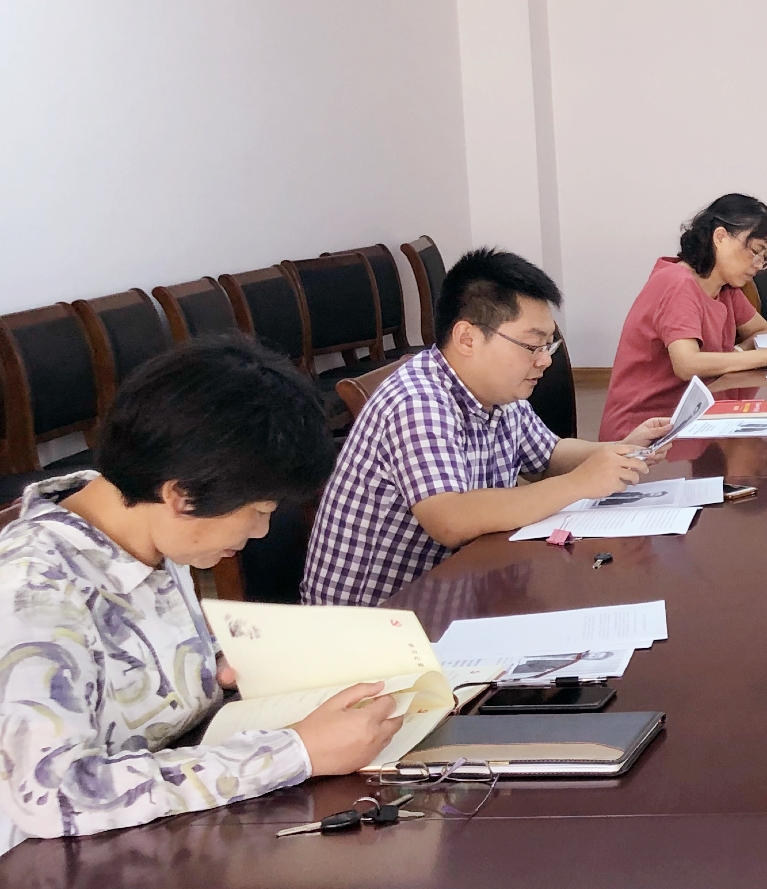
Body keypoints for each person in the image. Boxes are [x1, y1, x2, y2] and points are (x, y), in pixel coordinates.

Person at [0, 337, 404, 853]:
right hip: (58, 858)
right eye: (258, 510)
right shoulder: (31, 592)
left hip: (167, 826)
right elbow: (55, 795)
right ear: (181, 495)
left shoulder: (150, 530)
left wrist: (223, 665)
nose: (261, 531)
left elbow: (129, 679)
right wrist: (296, 751)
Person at [302, 248, 671, 607]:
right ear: (468, 338)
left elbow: (548, 456)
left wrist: (620, 449)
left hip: (454, 588)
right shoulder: (418, 400)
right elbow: (451, 519)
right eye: (532, 345)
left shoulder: (498, 392)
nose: (544, 361)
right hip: (376, 620)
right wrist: (581, 482)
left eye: (549, 345)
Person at [599, 194, 767, 441]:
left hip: (694, 412)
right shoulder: (678, 284)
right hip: (646, 429)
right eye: (755, 251)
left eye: (764, 257)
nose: (757, 264)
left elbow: (762, 332)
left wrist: (736, 354)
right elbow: (687, 365)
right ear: (720, 237)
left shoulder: (724, 286)